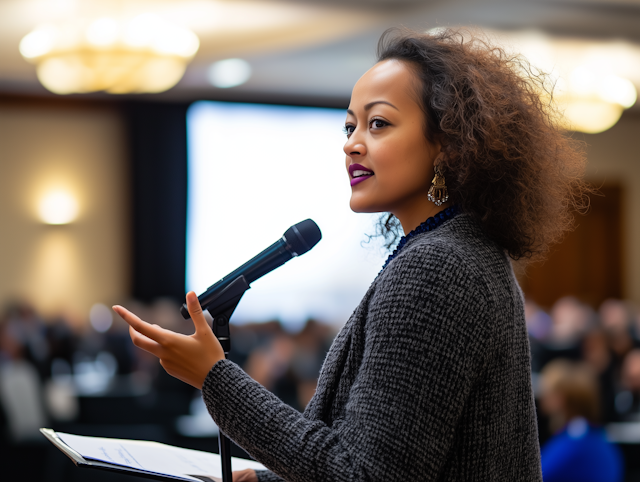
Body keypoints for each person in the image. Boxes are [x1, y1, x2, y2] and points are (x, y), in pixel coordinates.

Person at [113, 27, 589, 481]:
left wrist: (215, 378)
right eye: (349, 125)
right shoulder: (458, 250)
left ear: (447, 144)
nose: (351, 144)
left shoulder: (437, 267)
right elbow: (400, 460)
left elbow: (364, 475)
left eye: (378, 123)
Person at [538, 360, 623, 482]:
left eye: (548, 391)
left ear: (561, 398)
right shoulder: (597, 437)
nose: (542, 396)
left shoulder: (574, 442)